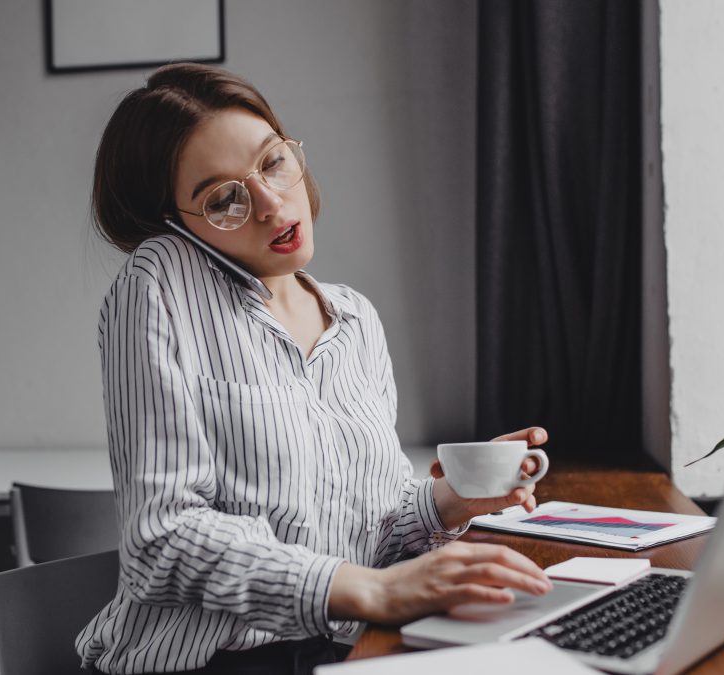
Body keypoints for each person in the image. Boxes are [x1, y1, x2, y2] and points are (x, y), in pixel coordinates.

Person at [76, 63, 552, 675]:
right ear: (174, 225)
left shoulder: (354, 317)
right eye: (223, 199)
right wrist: (369, 590)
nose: (271, 205)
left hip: (345, 650)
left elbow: (364, 534)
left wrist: (450, 501)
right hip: (208, 665)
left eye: (273, 162)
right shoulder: (160, 277)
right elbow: (161, 539)